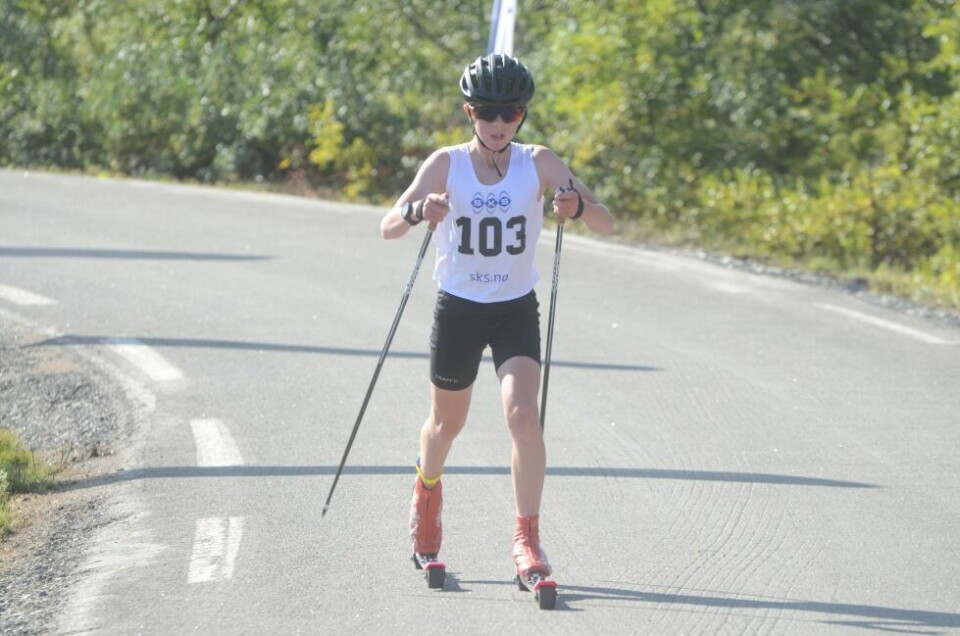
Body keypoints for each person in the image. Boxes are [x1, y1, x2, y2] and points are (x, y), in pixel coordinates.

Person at [380, 53, 614, 582]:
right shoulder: (446, 164)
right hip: (459, 310)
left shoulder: (541, 162)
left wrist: (576, 207)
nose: (499, 123)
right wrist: (418, 211)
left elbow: (605, 221)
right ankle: (426, 498)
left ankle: (527, 541)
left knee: (523, 417)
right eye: (488, 112)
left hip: (514, 310)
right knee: (446, 426)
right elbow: (388, 226)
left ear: (522, 115)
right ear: (470, 112)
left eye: (511, 113)